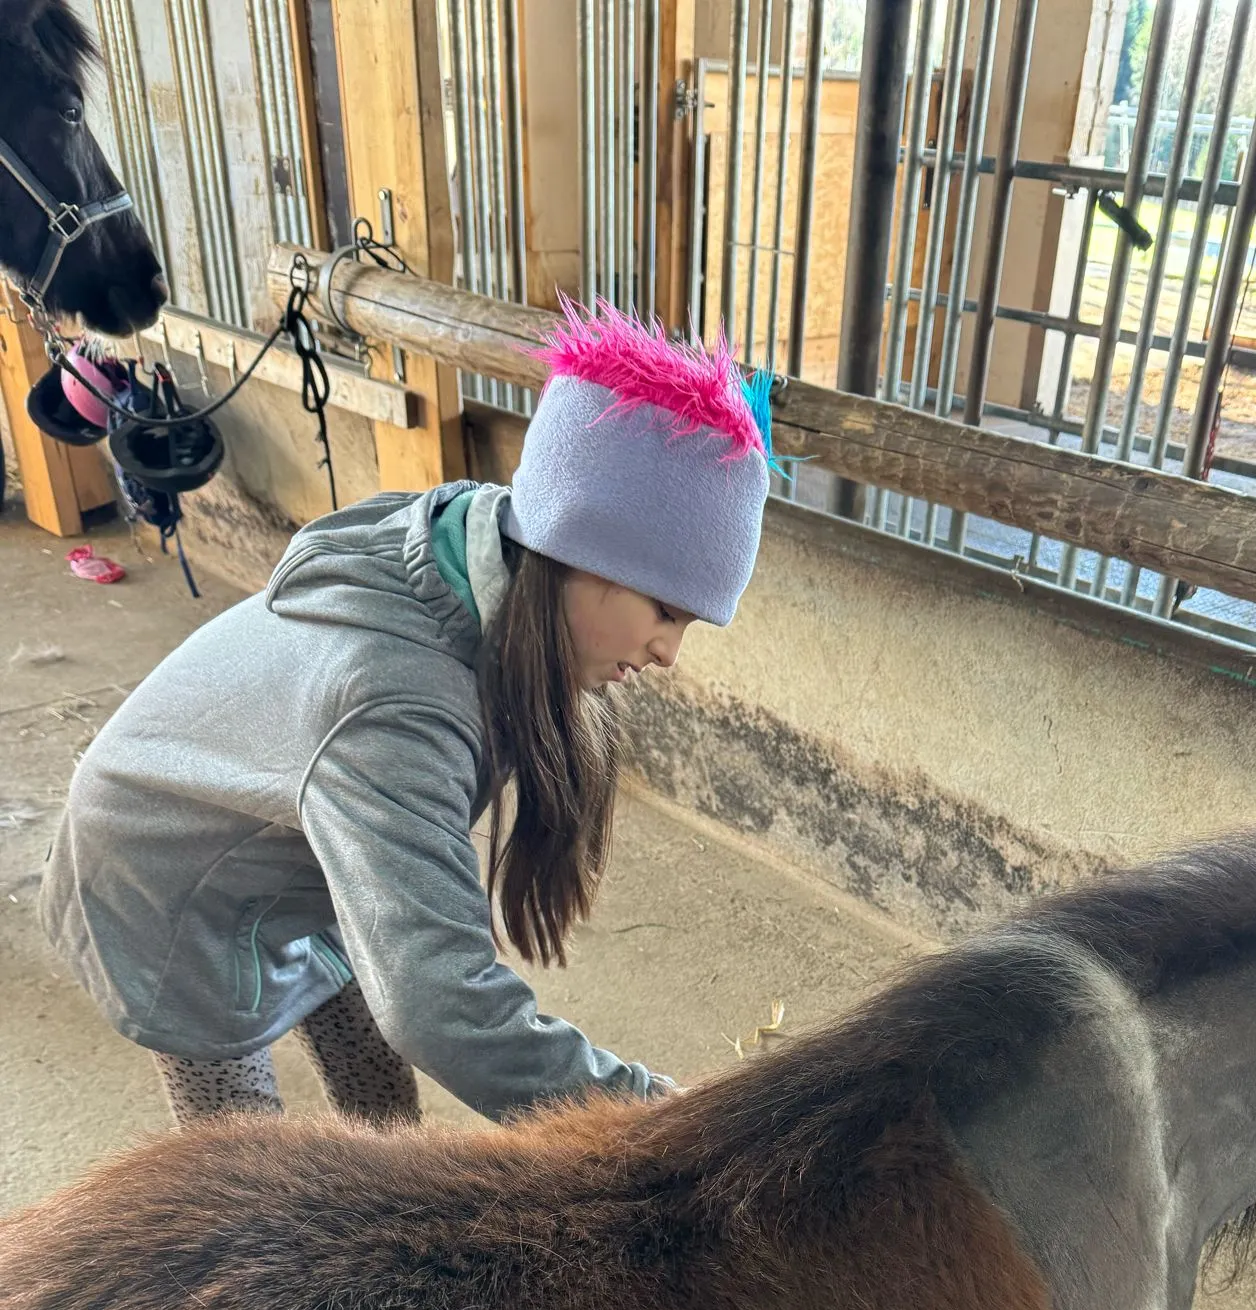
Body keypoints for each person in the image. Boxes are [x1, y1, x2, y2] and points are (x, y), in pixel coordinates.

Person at [40, 305, 773, 1126]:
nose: (669, 653)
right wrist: (656, 1118)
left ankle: (377, 1168)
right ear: (577, 551)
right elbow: (441, 1006)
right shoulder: (398, 710)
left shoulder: (487, 545)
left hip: (289, 838)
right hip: (158, 874)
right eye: (666, 612)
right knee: (240, 1165)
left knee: (377, 1084)